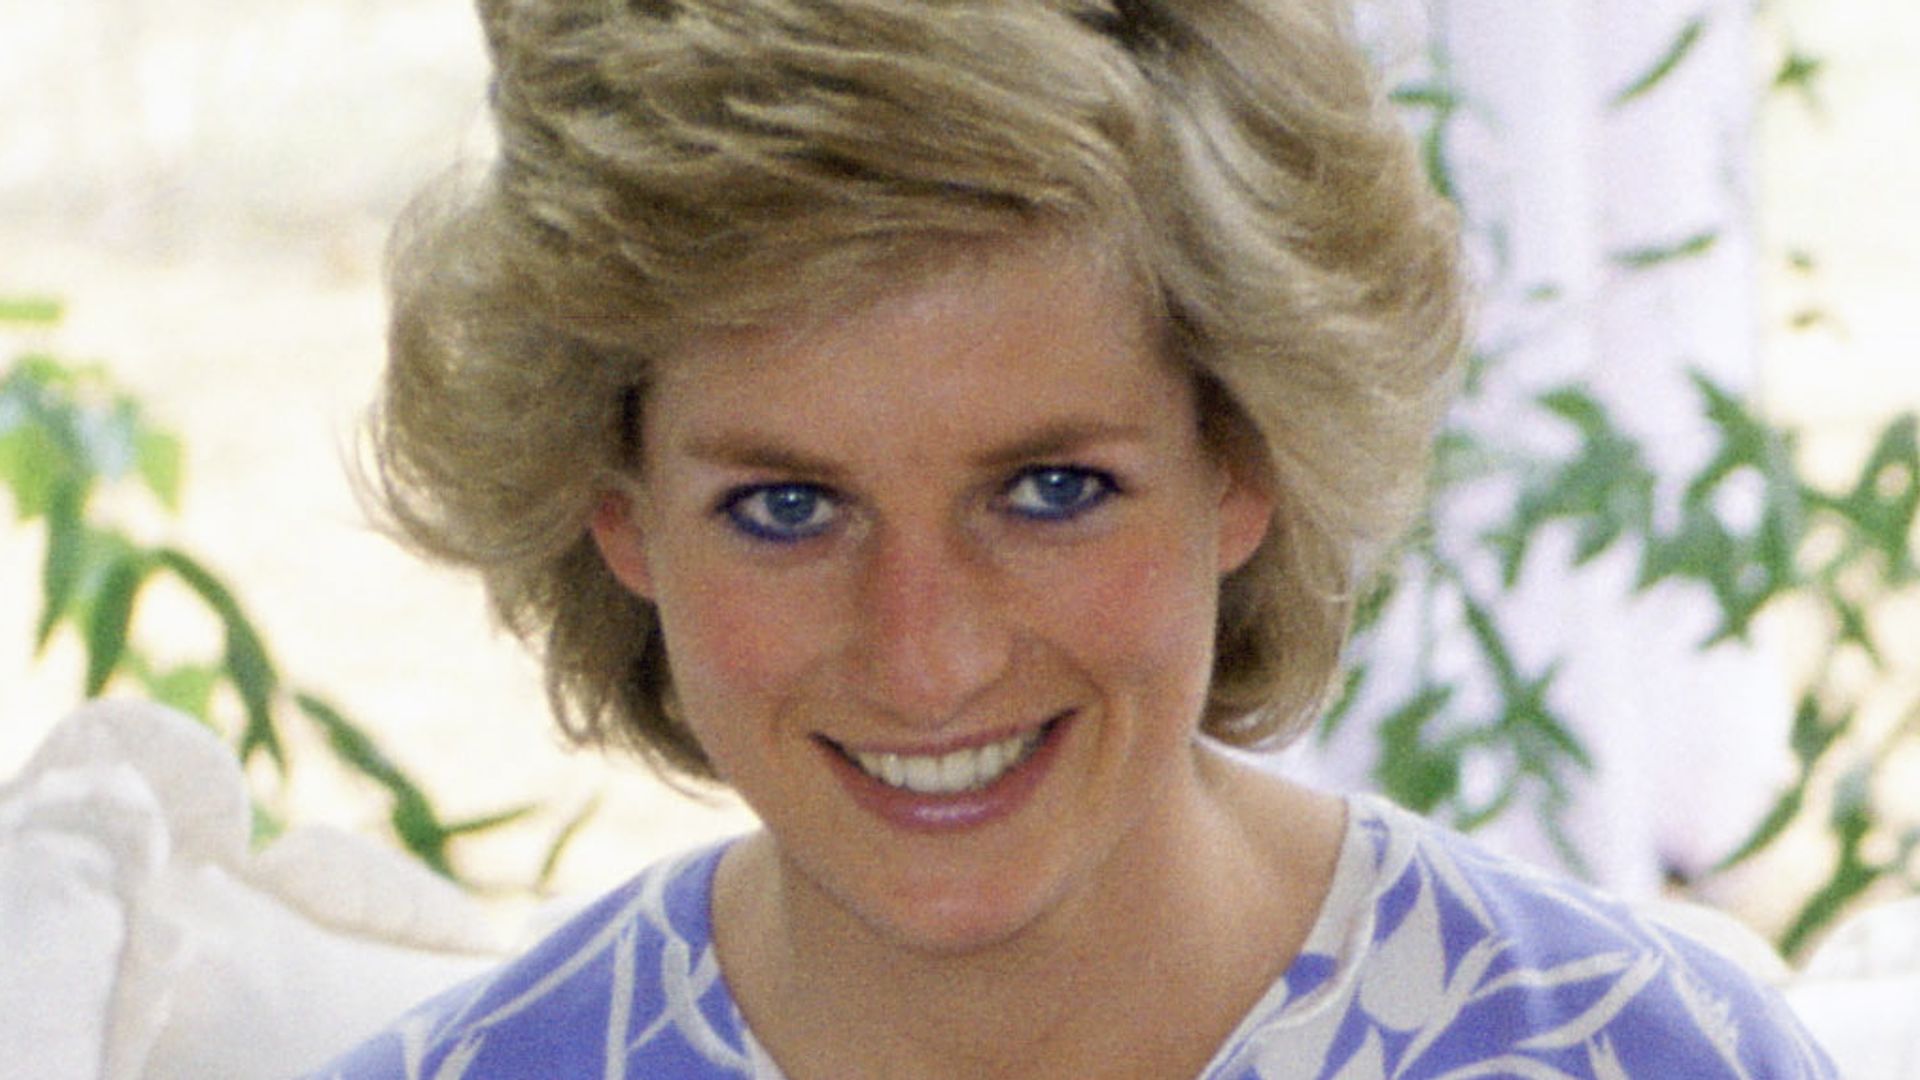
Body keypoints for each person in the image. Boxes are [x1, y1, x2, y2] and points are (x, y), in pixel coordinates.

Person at [316, 0, 1837, 1076]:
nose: (928, 656)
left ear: (1242, 461)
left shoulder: (1643, 1055)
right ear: (619, 517)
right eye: (786, 507)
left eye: (1049, 491)